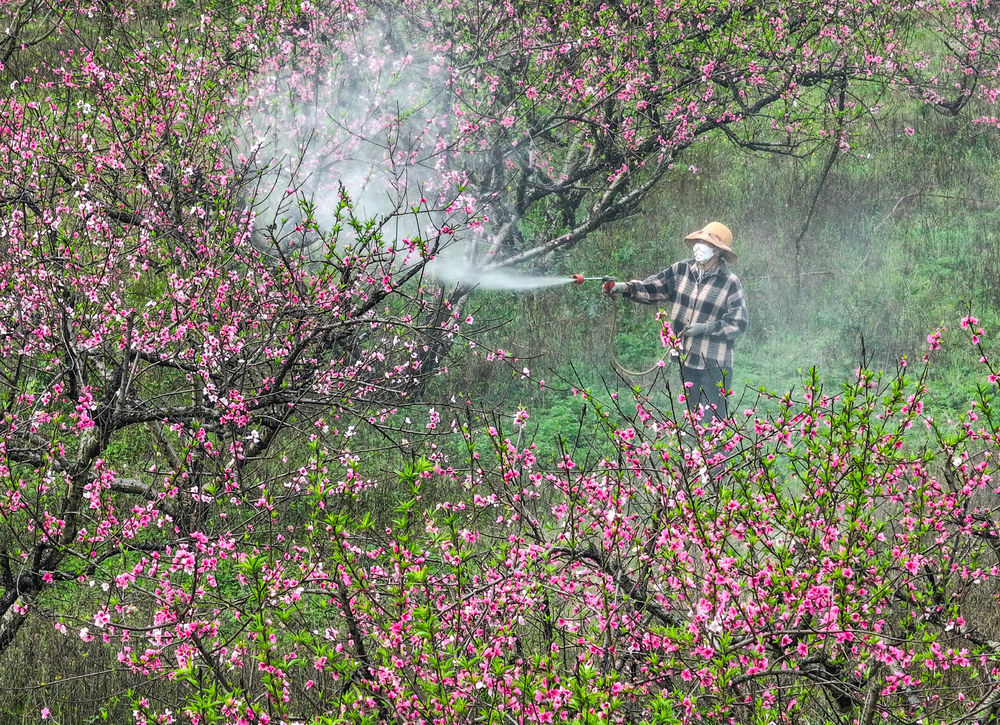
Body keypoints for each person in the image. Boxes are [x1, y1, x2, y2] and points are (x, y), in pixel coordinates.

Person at [604, 222, 749, 420]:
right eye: (698, 241)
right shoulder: (681, 270)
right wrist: (625, 287)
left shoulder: (730, 282)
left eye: (704, 242)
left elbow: (738, 322)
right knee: (693, 418)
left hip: (715, 363)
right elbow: (653, 287)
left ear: (717, 251)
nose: (699, 245)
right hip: (687, 358)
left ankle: (716, 452)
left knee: (712, 421)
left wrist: (706, 328)